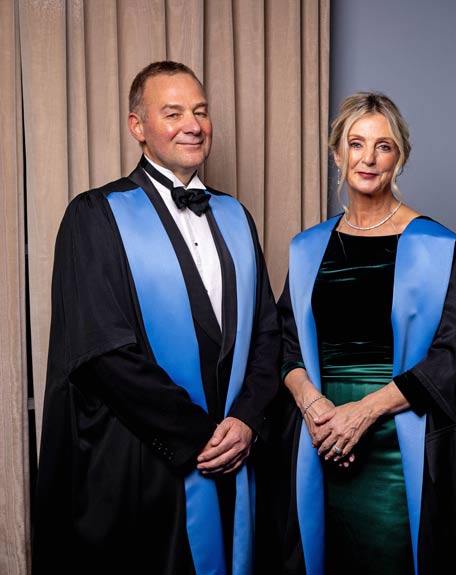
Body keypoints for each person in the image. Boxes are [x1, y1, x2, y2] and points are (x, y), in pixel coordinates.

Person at [33, 61, 280, 574]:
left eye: (201, 111)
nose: (193, 124)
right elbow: (102, 351)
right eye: (173, 113)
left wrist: (247, 421)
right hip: (142, 463)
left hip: (233, 455)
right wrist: (197, 435)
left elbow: (265, 333)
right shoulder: (96, 215)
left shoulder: (236, 216)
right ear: (138, 127)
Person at [276, 92, 456, 574]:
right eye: (356, 144)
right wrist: (314, 407)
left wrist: (365, 411)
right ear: (337, 154)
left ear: (401, 158)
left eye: (384, 146)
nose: (368, 159)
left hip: (400, 445)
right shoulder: (308, 248)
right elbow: (283, 342)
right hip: (320, 439)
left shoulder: (441, 249)